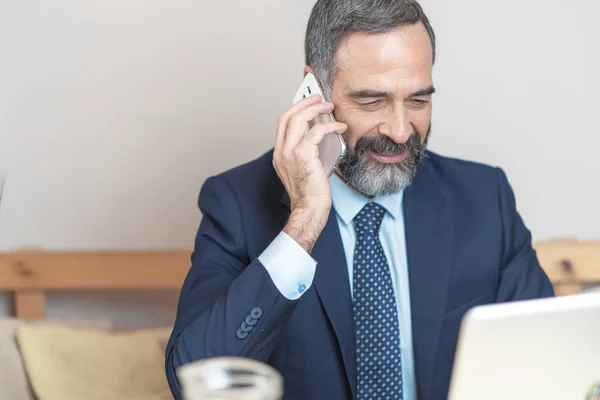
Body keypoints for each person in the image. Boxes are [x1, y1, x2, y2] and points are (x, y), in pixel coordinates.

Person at [165, 1, 554, 399]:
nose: (401, 131)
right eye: (372, 102)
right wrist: (303, 224)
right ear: (313, 93)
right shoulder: (237, 204)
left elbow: (548, 357)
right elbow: (192, 380)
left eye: (418, 100)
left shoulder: (485, 197)